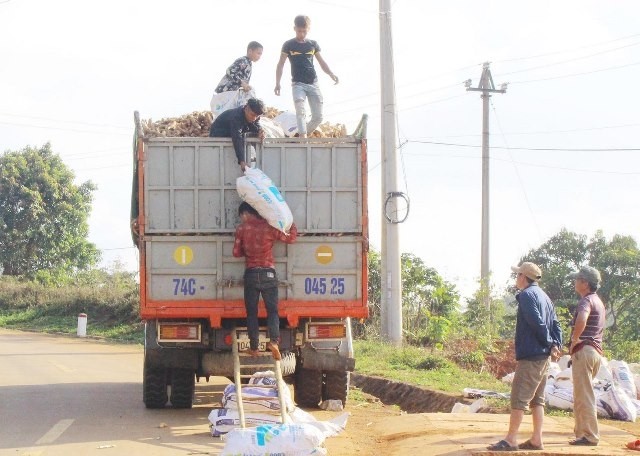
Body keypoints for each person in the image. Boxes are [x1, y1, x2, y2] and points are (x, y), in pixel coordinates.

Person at [488, 262, 562, 452]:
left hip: (532, 355)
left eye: (517, 274)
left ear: (523, 277)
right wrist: (555, 344)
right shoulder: (545, 297)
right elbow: (556, 324)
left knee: (519, 398)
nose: (516, 278)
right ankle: (537, 439)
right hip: (543, 357)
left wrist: (549, 343)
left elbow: (537, 322)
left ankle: (511, 439)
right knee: (537, 400)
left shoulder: (527, 295)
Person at [232, 202, 298, 360]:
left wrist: (245, 249)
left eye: (242, 216)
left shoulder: (242, 229)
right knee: (272, 311)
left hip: (251, 274)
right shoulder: (269, 227)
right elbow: (290, 239)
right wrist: (292, 224)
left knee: (252, 313)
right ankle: (274, 342)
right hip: (269, 273)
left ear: (246, 213)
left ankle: (254, 347)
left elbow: (236, 253)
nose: (242, 219)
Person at [274, 15, 338, 138]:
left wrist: (330, 73)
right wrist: (278, 83)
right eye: (299, 31)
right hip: (298, 84)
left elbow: (321, 62)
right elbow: (280, 64)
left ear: (308, 29)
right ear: (294, 28)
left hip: (313, 83)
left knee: (318, 117)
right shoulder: (288, 45)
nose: (302, 34)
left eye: (304, 31)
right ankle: (303, 137)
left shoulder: (312, 44)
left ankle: (300, 135)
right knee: (300, 110)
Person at [567, 265, 605, 447]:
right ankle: (582, 434)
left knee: (584, 395)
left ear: (585, 283)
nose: (575, 282)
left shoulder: (586, 301)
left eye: (577, 279)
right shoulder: (598, 300)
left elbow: (582, 318)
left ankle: (589, 436)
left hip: (585, 350)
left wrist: (575, 339)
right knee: (582, 394)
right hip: (594, 352)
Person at [209, 98, 266, 171]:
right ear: (246, 108)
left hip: (233, 134)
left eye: (257, 116)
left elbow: (256, 125)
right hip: (217, 136)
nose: (254, 118)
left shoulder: (255, 116)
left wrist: (260, 130)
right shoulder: (236, 117)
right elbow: (237, 137)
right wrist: (242, 161)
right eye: (253, 115)